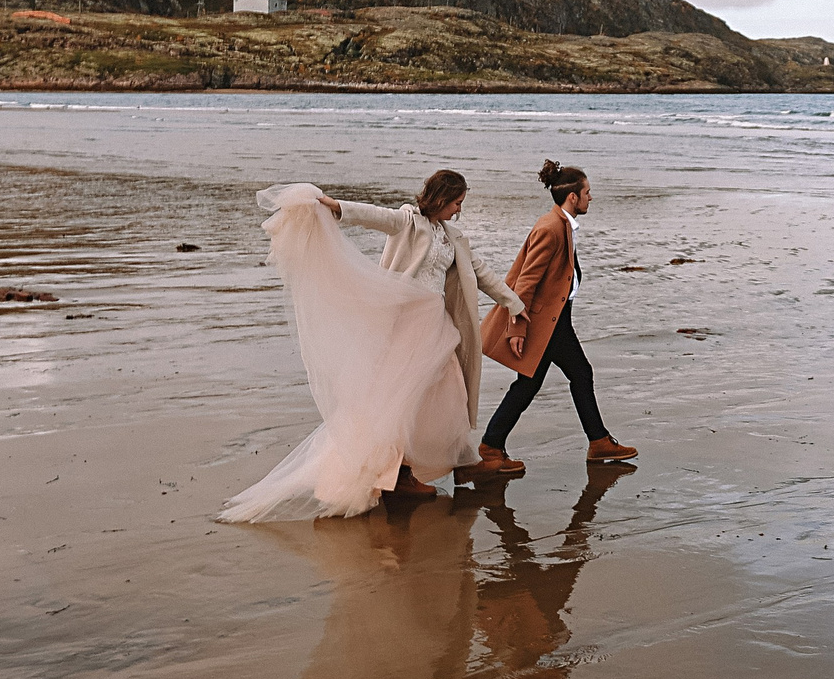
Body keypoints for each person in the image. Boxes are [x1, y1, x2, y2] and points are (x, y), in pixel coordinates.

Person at [216, 169, 528, 522]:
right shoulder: (409, 222)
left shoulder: (453, 236)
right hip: (407, 323)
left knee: (450, 391)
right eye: (456, 203)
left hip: (437, 324)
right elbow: (373, 216)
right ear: (441, 199)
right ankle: (396, 472)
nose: (459, 210)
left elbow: (482, 273)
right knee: (400, 397)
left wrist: (515, 305)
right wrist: (335, 207)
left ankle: (454, 460)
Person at [476, 160, 639, 475]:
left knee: (546, 381)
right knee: (562, 377)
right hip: (543, 323)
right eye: (587, 193)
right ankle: (494, 446)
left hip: (557, 320)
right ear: (573, 197)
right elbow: (526, 282)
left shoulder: (561, 224)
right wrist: (517, 329)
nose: (592, 198)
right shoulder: (550, 228)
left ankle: (595, 441)